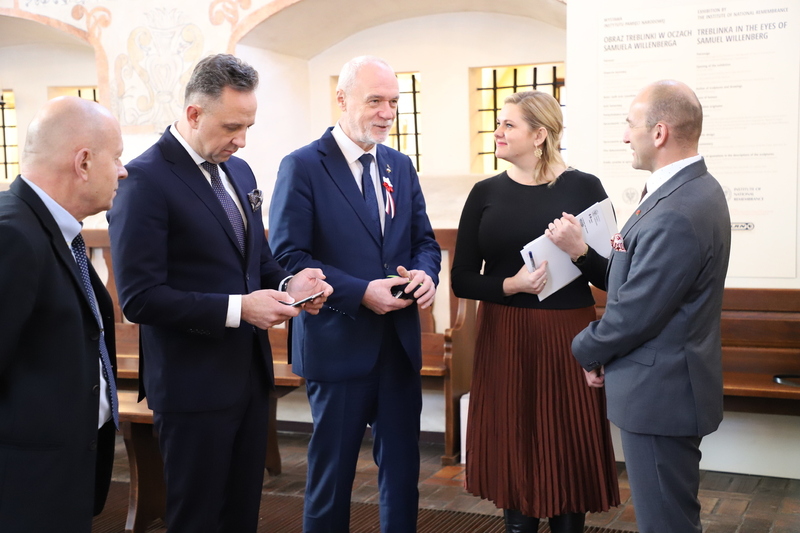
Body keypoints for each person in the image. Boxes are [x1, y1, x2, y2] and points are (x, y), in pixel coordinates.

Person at [107, 54, 332, 533]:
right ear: (193, 114)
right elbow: (139, 297)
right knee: (197, 518)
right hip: (191, 384)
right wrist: (239, 309)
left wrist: (293, 286)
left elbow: (260, 262)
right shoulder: (144, 179)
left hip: (248, 376)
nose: (241, 139)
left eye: (248, 126)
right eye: (232, 126)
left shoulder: (241, 172)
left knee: (240, 513)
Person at [269, 55, 441, 533]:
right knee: (332, 475)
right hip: (337, 341)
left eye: (393, 102)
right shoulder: (302, 166)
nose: (387, 113)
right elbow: (288, 254)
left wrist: (427, 275)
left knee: (403, 475)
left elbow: (424, 242)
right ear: (342, 99)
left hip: (398, 343)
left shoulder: (400, 166)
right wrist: (360, 292)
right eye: (376, 101)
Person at [451, 90, 620, 533]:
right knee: (514, 443)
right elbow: (462, 278)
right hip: (505, 334)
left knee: (567, 446)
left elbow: (612, 278)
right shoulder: (485, 192)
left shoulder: (585, 188)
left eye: (509, 125)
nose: (498, 132)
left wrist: (579, 250)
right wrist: (510, 285)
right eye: (499, 123)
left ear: (540, 134)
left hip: (569, 335)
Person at [572, 80, 731, 533]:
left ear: (658, 132)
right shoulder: (690, 189)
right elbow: (637, 282)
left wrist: (587, 348)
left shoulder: (679, 209)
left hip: (661, 393)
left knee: (666, 523)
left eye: (630, 125)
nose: (626, 136)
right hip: (664, 384)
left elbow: (637, 311)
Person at [0, 96, 125, 531]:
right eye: (118, 157)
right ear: (84, 162)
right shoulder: (13, 234)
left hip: (61, 472)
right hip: (24, 489)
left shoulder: (52, 228)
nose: (123, 171)